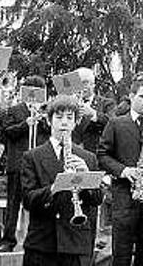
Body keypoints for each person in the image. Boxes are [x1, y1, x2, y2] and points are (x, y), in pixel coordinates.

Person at [97, 76, 143, 266]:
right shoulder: (116, 123)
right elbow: (102, 155)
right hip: (124, 198)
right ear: (131, 96)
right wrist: (124, 171)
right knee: (121, 255)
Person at [20, 95, 102, 266]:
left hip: (75, 242)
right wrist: (55, 187)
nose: (64, 122)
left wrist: (86, 177)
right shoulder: (32, 156)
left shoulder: (88, 158)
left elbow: (97, 199)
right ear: (49, 121)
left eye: (70, 118)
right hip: (42, 243)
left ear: (76, 122)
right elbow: (28, 200)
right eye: (58, 117)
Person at [0, 75, 51, 252]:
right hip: (18, 164)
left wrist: (44, 120)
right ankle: (8, 240)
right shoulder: (14, 110)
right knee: (13, 203)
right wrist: (26, 124)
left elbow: (52, 132)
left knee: (40, 201)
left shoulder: (47, 111)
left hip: (39, 165)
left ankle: (38, 239)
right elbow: (7, 132)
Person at [71, 68, 116, 153]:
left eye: (85, 83)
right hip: (71, 153)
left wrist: (93, 114)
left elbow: (113, 123)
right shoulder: (68, 103)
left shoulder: (107, 103)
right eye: (77, 83)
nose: (80, 86)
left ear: (93, 85)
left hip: (96, 155)